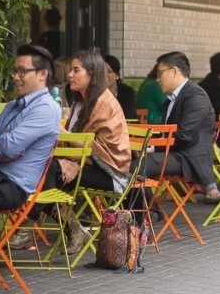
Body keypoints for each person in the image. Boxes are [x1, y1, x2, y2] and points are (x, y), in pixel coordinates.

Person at [11, 50, 132, 252]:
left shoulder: (104, 103)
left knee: (46, 173)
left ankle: (28, 226)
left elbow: (96, 147)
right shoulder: (80, 102)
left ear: (92, 74)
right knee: (44, 174)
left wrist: (61, 131)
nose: (69, 75)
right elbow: (77, 143)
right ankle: (71, 229)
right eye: (70, 70)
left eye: (76, 70)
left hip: (110, 173)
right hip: (86, 165)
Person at [0, 44, 60, 212]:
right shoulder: (12, 106)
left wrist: (2, 148)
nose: (15, 77)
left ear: (43, 74)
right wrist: (0, 147)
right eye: (15, 71)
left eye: (22, 71)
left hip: (10, 188)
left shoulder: (47, 109)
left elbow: (8, 147)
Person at [141, 52, 220, 202]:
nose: (157, 79)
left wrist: (153, 148)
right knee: (133, 163)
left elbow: (185, 136)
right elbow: (165, 135)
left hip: (189, 156)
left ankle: (142, 214)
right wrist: (149, 145)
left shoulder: (196, 96)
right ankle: (146, 212)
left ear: (174, 71)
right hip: (175, 152)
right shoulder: (170, 100)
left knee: (139, 166)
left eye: (159, 74)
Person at [102, 54, 137, 120]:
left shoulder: (127, 92)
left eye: (109, 72)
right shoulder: (95, 92)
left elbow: (128, 115)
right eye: (102, 72)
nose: (105, 75)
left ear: (117, 75)